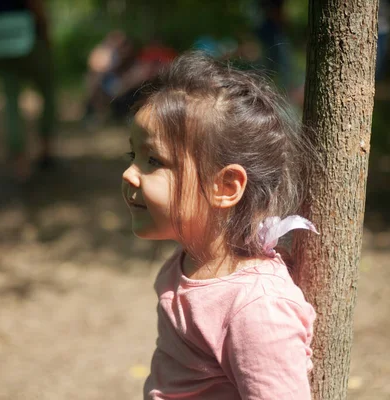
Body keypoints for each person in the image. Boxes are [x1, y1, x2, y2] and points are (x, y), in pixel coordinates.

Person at [121, 52, 317, 399]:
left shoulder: (256, 309)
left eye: (153, 160)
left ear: (225, 187)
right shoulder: (190, 263)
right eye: (132, 156)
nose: (129, 173)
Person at [0, 0, 56, 180]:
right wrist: (46, 36)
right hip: (29, 37)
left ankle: (20, 163)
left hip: (0, 42)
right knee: (47, 91)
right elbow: (36, 6)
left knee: (11, 101)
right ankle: (45, 150)